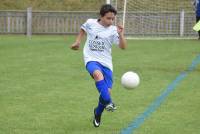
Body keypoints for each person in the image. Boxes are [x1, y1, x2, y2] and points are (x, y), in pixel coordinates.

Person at [70, 4, 126, 127]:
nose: (111, 21)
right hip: (91, 59)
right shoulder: (90, 22)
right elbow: (82, 29)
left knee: (106, 93)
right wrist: (78, 41)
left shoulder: (113, 30)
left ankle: (98, 112)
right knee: (97, 74)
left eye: (112, 19)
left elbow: (123, 47)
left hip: (106, 63)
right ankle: (110, 103)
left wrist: (121, 34)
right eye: (108, 18)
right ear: (101, 16)